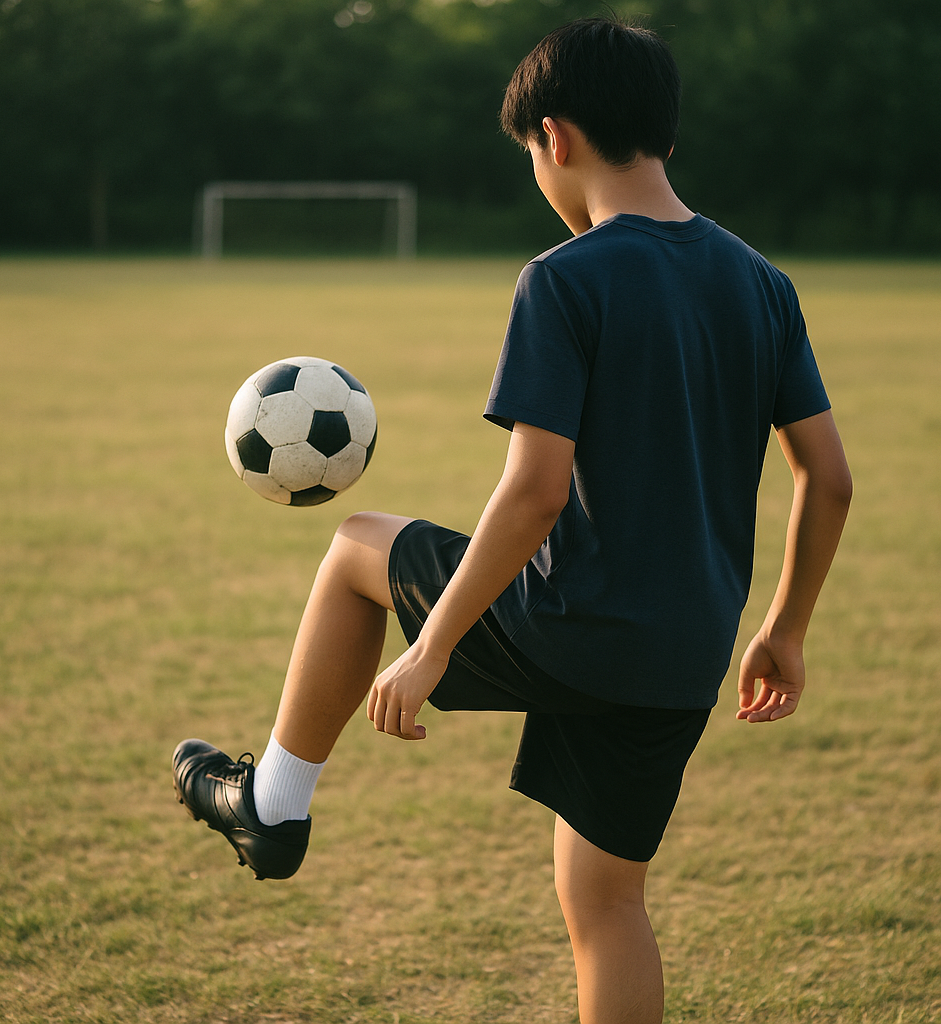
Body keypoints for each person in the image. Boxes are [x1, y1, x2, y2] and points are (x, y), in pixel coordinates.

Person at [173, 16, 852, 1024]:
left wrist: (430, 646)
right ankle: (272, 803)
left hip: (573, 623)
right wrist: (784, 629)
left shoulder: (564, 277)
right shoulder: (762, 283)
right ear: (662, 133)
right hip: (684, 651)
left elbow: (535, 489)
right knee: (607, 903)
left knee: (357, 543)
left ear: (554, 138)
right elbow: (827, 478)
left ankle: (271, 804)